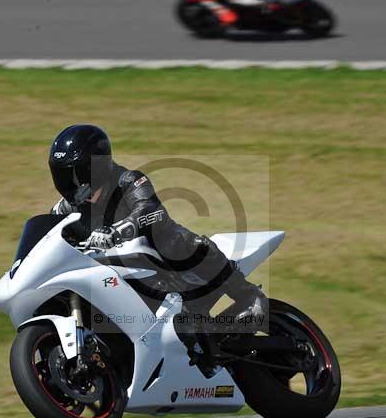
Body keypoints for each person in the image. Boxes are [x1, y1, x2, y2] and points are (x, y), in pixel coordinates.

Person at [47, 124, 267, 327]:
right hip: (112, 274)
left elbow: (151, 209)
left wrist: (117, 231)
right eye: (64, 176)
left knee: (189, 244)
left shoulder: (128, 180)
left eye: (77, 174)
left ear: (97, 166)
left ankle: (248, 296)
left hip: (161, 260)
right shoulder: (66, 208)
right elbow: (48, 235)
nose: (71, 184)